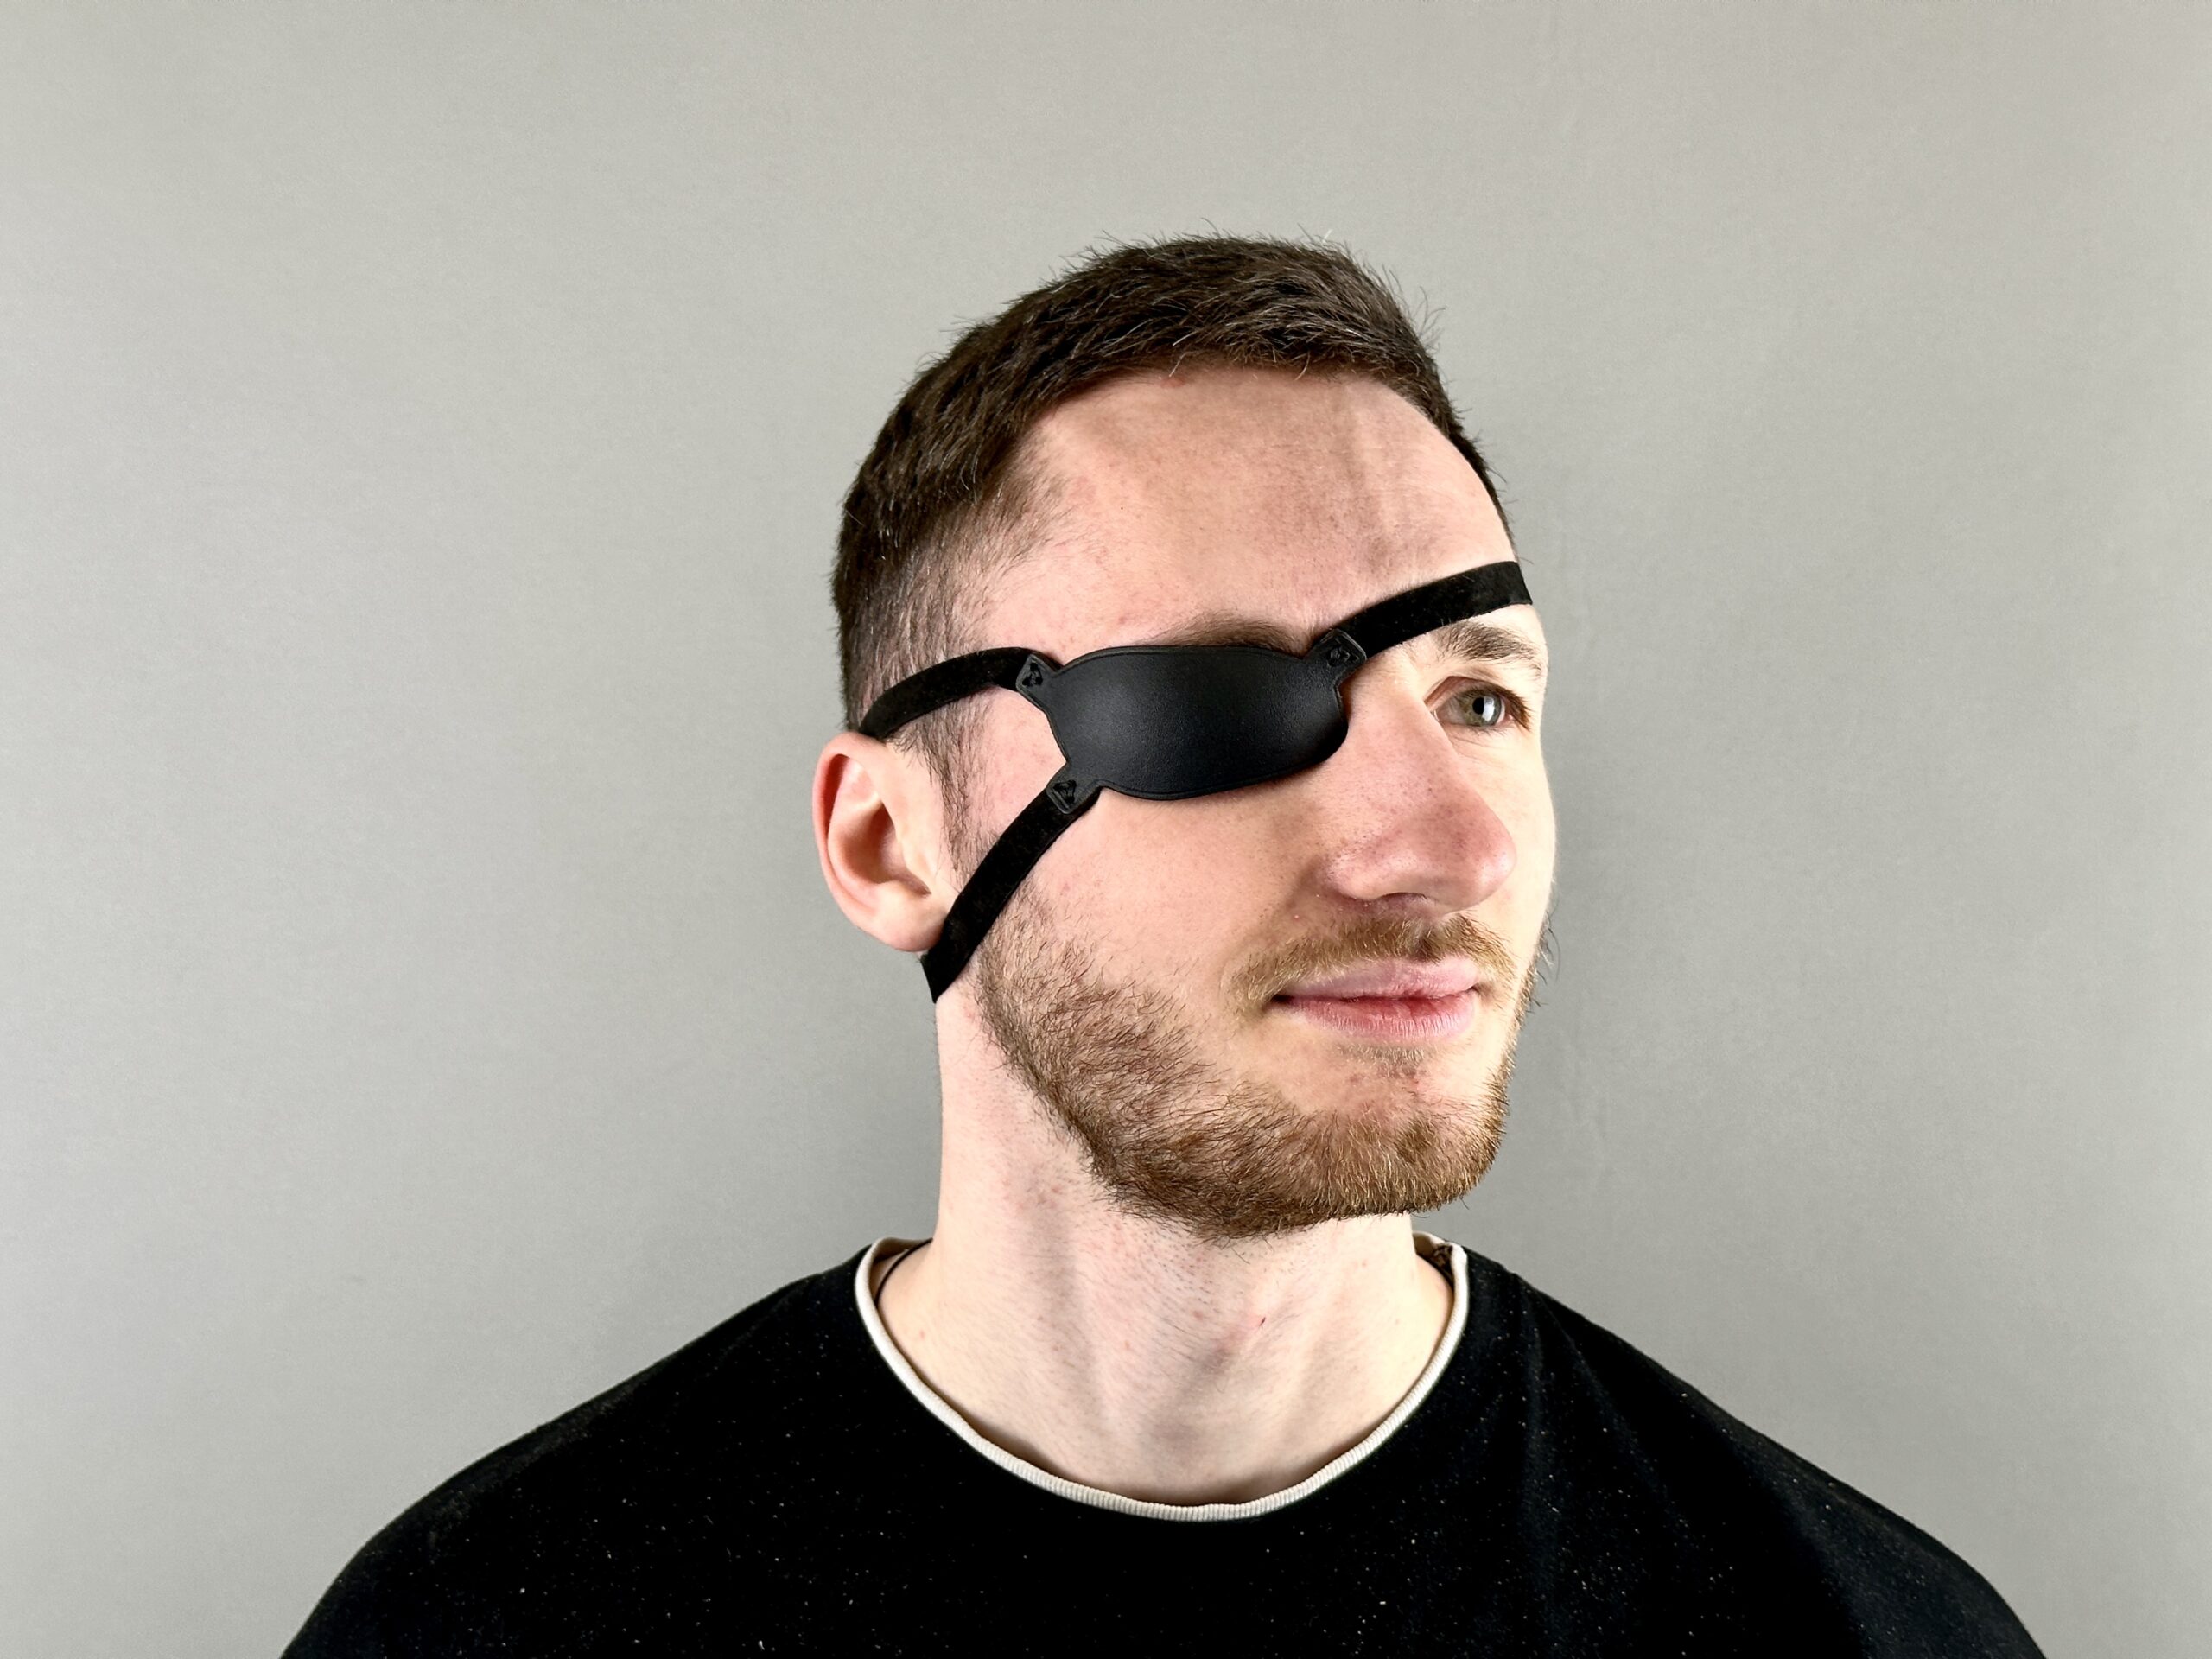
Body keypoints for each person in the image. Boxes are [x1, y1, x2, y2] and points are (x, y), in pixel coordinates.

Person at [283, 236, 2043, 1656]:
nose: (1453, 845)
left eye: (1481, 701)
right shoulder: (485, 1627)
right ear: (889, 842)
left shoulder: (1851, 1632)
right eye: (1218, 702)